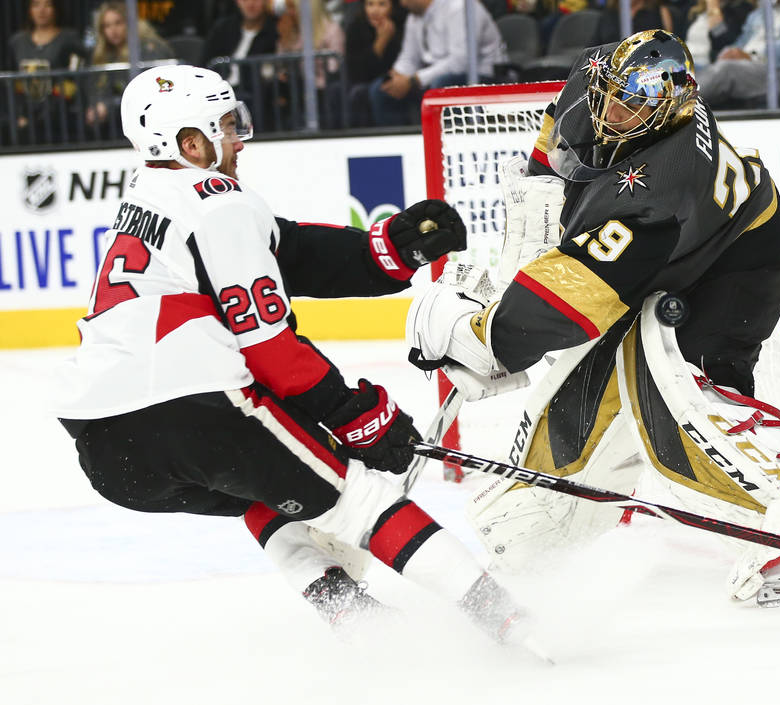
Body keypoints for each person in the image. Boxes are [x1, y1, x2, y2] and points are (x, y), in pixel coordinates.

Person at [50, 64, 541, 650]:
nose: (237, 139)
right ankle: (511, 622)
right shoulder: (215, 199)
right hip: (189, 409)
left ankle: (355, 619)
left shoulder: (150, 196)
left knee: (260, 487)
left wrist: (383, 251)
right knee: (360, 498)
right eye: (225, 126)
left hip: (106, 451)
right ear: (189, 143)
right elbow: (269, 347)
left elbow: (288, 249)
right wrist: (356, 415)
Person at [407, 30, 780, 605]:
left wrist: (483, 337)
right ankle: (560, 509)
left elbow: (558, 313)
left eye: (632, 107)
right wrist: (539, 202)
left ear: (663, 115)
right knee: (596, 385)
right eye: (614, 96)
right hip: (678, 243)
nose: (614, 111)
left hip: (738, 259)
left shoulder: (656, 185)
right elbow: (558, 129)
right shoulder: (600, 70)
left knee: (684, 390)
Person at [369, 0, 507, 126]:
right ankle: (403, 144)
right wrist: (397, 76)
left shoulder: (459, 7)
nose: (402, 4)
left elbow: (461, 62)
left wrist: (414, 79)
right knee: (382, 90)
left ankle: (452, 143)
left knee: (441, 87)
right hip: (436, 76)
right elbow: (409, 58)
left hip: (483, 77)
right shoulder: (414, 17)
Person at [694, 0, 780, 108]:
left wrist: (750, 56)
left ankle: (678, 106)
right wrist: (729, 52)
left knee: (727, 70)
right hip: (747, 69)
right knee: (693, 69)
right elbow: (740, 42)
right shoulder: (758, 14)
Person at [85, 2, 174, 131]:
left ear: (131, 23)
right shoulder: (104, 55)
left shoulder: (150, 49)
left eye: (118, 23)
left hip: (154, 120)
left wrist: (108, 106)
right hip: (118, 123)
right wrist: (97, 105)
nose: (113, 30)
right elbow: (98, 89)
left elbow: (151, 91)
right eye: (107, 26)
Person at [6, 0, 86, 140]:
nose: (41, 10)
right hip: (24, 121)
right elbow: (10, 81)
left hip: (61, 119)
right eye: (36, 5)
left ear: (56, 9)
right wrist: (19, 114)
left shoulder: (69, 38)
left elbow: (76, 78)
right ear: (29, 10)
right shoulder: (17, 42)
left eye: (47, 5)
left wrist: (50, 110)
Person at [345, 0, 407, 127]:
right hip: (365, 82)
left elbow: (405, 62)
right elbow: (357, 73)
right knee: (357, 92)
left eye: (382, 4)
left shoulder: (403, 25)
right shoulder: (356, 28)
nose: (374, 10)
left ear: (393, 7)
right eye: (370, 4)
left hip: (398, 79)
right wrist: (381, 42)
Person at [683, 0, 753, 69]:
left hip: (708, 67)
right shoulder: (696, 10)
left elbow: (721, 40)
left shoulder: (740, 8)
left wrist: (713, 6)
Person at [591, 0, 674, 47]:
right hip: (612, 70)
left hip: (649, 70)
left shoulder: (660, 12)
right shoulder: (609, 13)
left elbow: (669, 46)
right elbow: (593, 47)